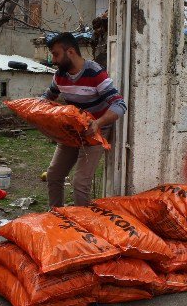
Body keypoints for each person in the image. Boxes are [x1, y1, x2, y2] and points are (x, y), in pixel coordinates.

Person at [41, 32, 127, 207]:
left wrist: (98, 123)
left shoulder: (94, 72)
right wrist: (35, 110)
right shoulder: (59, 76)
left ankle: (84, 228)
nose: (53, 60)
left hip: (96, 131)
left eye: (56, 54)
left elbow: (120, 104)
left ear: (70, 52)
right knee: (54, 175)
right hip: (72, 131)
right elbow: (47, 98)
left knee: (80, 183)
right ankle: (57, 218)